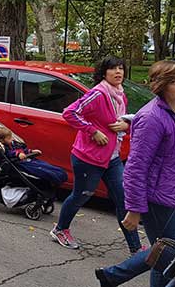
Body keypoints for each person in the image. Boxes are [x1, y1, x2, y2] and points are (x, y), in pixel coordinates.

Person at [97, 60, 175, 287]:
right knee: (169, 255)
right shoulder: (152, 117)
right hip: (159, 197)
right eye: (174, 81)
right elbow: (136, 167)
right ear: (161, 85)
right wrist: (134, 209)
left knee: (168, 251)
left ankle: (111, 276)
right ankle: (113, 275)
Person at [53, 56, 141, 252]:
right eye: (113, 69)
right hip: (88, 158)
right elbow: (70, 113)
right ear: (104, 73)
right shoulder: (98, 94)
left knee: (123, 200)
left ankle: (135, 248)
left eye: (121, 68)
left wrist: (127, 125)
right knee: (81, 196)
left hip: (113, 157)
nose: (118, 72)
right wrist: (93, 131)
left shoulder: (120, 94)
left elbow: (119, 120)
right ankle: (60, 229)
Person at [0, 127, 67, 185]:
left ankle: (59, 175)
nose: (12, 139)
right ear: (2, 141)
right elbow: (9, 153)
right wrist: (18, 154)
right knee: (43, 171)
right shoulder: (5, 148)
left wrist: (32, 151)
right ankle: (54, 178)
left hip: (27, 160)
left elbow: (23, 150)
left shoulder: (13, 144)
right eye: (9, 138)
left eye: (11, 137)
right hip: (21, 163)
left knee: (47, 166)